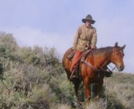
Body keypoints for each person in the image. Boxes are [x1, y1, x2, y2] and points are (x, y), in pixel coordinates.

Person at [70, 14, 97, 79]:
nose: (88, 22)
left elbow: (94, 38)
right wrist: (74, 46)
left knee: (97, 55)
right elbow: (76, 37)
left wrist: (93, 45)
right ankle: (73, 71)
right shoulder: (80, 27)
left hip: (89, 46)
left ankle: (102, 71)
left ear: (91, 22)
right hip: (80, 46)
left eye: (90, 21)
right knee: (76, 58)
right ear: (85, 21)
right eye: (87, 21)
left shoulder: (93, 29)